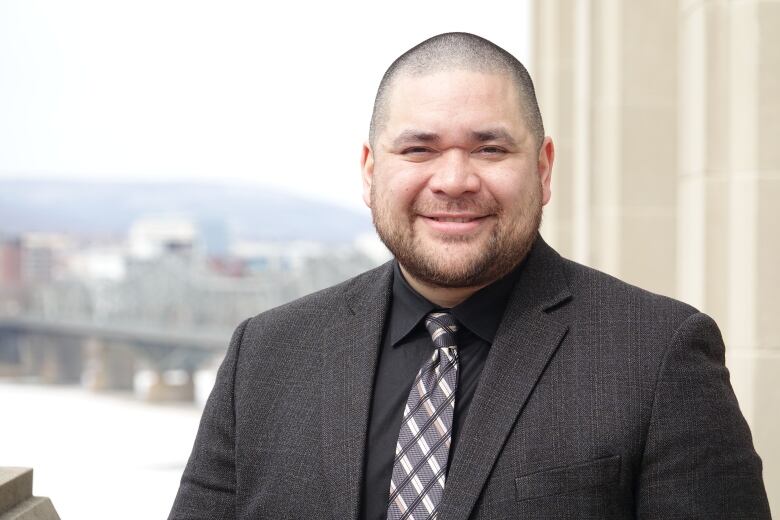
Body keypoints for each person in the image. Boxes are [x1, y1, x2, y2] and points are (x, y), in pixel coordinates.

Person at [168, 32, 770, 519]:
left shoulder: (658, 353)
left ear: (543, 168)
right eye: (419, 149)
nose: (454, 180)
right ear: (370, 170)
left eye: (489, 149)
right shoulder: (267, 356)